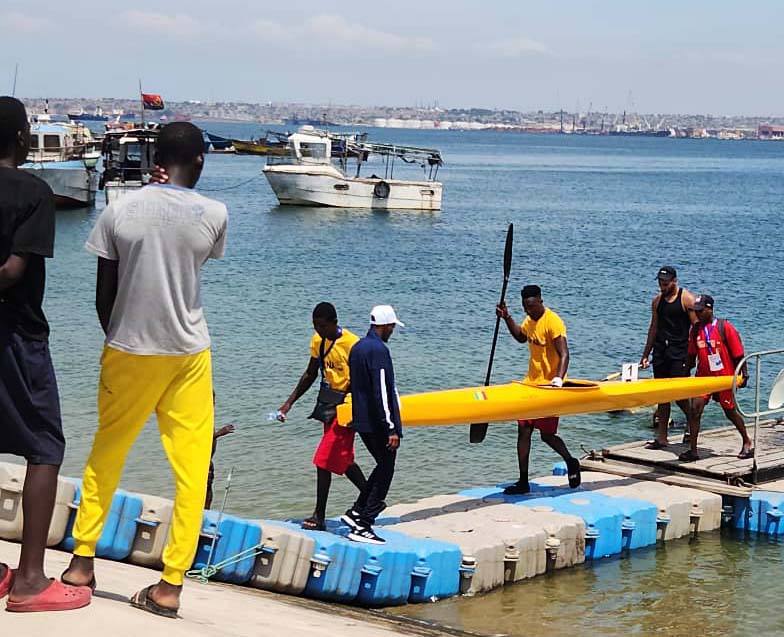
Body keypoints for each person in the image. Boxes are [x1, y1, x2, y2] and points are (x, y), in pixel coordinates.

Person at [61, 122, 228, 619]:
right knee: (191, 469)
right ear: (199, 161)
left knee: (107, 454)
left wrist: (120, 339)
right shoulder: (215, 214)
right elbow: (184, 263)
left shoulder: (118, 209)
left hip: (128, 348)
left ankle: (82, 562)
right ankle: (171, 584)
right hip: (189, 352)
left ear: (155, 158)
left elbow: (104, 294)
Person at [0, 96, 92, 612]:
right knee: (44, 447)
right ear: (21, 139)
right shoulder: (34, 192)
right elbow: (14, 272)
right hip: (17, 334)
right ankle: (31, 580)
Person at [277, 302, 366, 531]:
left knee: (323, 460)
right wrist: (289, 403)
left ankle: (319, 516)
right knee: (343, 459)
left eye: (323, 326)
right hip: (328, 406)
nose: (319, 330)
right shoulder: (318, 341)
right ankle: (371, 497)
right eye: (315, 326)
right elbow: (310, 374)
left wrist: (357, 412)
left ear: (334, 322)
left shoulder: (353, 345)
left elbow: (362, 382)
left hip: (347, 408)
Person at [497, 284, 581, 494]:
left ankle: (571, 461)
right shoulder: (529, 320)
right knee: (523, 431)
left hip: (550, 388)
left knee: (547, 435)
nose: (529, 311)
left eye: (532, 307)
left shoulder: (553, 322)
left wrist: (558, 380)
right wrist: (507, 317)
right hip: (531, 385)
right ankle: (523, 481)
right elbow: (521, 337)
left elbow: (564, 354)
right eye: (525, 307)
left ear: (541, 301)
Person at [341, 305, 404, 545]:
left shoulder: (357, 347)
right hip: (378, 422)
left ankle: (356, 511)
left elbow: (356, 386)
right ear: (385, 325)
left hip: (363, 420)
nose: (392, 331)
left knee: (382, 465)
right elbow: (381, 391)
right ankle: (364, 524)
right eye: (392, 327)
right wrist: (391, 428)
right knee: (386, 469)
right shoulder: (379, 350)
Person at [679, 294, 751, 461]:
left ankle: (747, 441)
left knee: (729, 411)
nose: (697, 314)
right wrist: (685, 372)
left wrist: (744, 374)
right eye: (695, 311)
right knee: (695, 411)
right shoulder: (695, 330)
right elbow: (691, 355)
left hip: (724, 378)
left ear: (710, 309)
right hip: (704, 377)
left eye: (700, 310)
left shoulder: (724, 327)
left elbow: (738, 354)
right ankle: (693, 450)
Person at [640, 266, 697, 449]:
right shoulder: (657, 301)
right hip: (660, 353)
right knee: (662, 395)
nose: (662, 287)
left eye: (665, 284)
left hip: (680, 353)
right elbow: (653, 327)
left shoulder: (686, 299)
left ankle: (692, 424)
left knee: (679, 395)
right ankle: (662, 437)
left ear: (674, 281)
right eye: (660, 283)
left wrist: (694, 356)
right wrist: (645, 354)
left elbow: (696, 328)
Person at [205, 423, 236, 509]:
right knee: (204, 488)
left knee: (208, 487)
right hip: (200, 461)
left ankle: (206, 511)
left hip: (208, 460)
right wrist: (217, 434)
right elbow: (197, 441)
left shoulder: (207, 420)